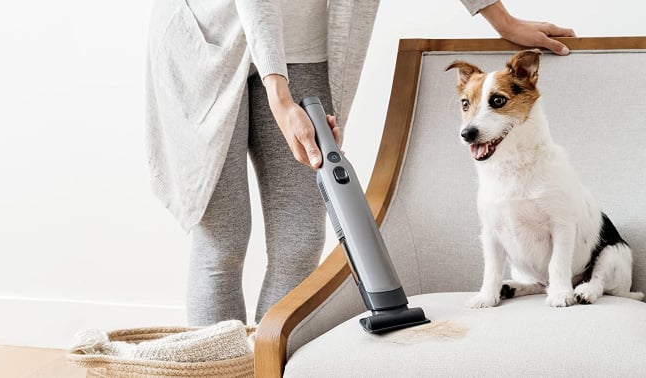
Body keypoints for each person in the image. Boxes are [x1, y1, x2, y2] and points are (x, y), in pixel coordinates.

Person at [145, 0, 575, 326]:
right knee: (222, 242)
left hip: (307, 50)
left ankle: (263, 366)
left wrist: (501, 19)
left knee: (298, 241)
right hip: (207, 44)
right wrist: (280, 97)